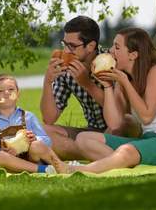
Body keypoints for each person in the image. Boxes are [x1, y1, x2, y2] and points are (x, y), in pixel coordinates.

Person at [53, 27, 156, 174]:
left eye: (117, 47)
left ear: (133, 54)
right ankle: (124, 163)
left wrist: (125, 83)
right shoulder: (122, 78)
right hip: (148, 140)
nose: (110, 51)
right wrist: (107, 86)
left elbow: (146, 117)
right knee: (83, 139)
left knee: (127, 150)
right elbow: (115, 124)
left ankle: (77, 169)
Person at [41, 16, 139, 160]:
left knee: (126, 121)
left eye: (72, 46)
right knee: (45, 132)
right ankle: (95, 152)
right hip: (91, 131)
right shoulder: (66, 68)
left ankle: (92, 151)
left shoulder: (112, 62)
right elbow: (49, 118)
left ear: (91, 46)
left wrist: (86, 83)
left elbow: (120, 114)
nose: (66, 51)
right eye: (64, 44)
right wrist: (47, 82)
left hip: (118, 128)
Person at [0, 74, 65, 174]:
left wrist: (35, 138)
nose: (6, 93)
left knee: (37, 145)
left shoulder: (28, 117)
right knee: (0, 156)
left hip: (32, 158)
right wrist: (3, 150)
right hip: (12, 164)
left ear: (18, 94)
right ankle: (43, 169)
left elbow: (47, 141)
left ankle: (60, 165)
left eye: (11, 89)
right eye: (0, 91)